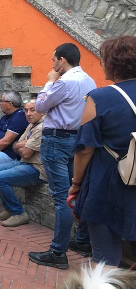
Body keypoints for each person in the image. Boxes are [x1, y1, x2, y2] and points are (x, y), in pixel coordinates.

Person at [69, 36, 136, 267]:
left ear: (113, 63)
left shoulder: (100, 97)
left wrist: (76, 184)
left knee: (105, 258)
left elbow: (84, 149)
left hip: (108, 184)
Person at [29, 43, 97, 270]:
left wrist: (49, 81)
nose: (52, 64)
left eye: (54, 60)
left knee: (61, 198)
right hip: (77, 140)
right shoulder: (90, 81)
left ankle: (57, 252)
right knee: (76, 192)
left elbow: (40, 106)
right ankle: (82, 241)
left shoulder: (63, 82)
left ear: (62, 60)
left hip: (57, 141)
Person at [0, 99, 46, 227]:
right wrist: (22, 145)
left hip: (37, 169)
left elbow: (26, 153)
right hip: (25, 163)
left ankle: (18, 213)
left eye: (32, 110)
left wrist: (22, 145)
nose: (28, 114)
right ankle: (9, 209)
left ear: (42, 111)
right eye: (26, 110)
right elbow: (15, 145)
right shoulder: (32, 124)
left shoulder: (42, 127)